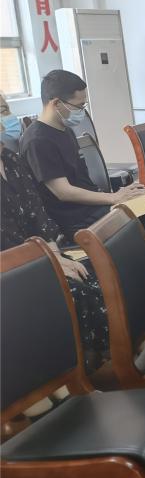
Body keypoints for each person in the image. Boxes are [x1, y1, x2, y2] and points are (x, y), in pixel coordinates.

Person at [1, 144, 108, 375]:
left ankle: (109, 354)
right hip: (10, 271)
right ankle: (69, 371)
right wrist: (50, 264)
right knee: (70, 290)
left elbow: (38, 216)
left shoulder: (10, 159)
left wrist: (57, 257)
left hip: (38, 255)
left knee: (89, 270)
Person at [19, 70, 145, 238]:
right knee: (144, 221)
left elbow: (82, 180)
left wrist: (118, 195)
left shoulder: (66, 130)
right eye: (79, 106)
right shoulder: (38, 140)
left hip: (91, 209)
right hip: (74, 220)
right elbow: (63, 192)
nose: (82, 111)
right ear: (57, 103)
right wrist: (113, 198)